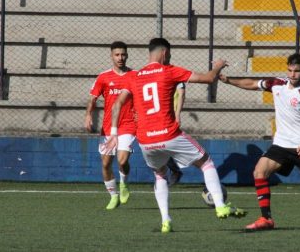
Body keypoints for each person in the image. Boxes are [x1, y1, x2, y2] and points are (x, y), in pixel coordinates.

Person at [103, 38, 245, 233]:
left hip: (146, 139)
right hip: (169, 133)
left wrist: (113, 133)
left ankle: (165, 220)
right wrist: (218, 66)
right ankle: (220, 205)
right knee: (206, 163)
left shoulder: (133, 76)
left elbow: (117, 104)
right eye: (168, 55)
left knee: (160, 174)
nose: (169, 58)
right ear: (163, 53)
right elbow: (208, 79)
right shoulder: (169, 70)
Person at [219, 53, 300, 231]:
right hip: (281, 144)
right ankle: (266, 219)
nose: (292, 74)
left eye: (296, 71)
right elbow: (251, 84)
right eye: (290, 70)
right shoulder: (277, 84)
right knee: (260, 171)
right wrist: (228, 80)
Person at [85, 41, 137, 210]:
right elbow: (92, 98)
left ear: (127, 55)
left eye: (123, 54)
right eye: (117, 55)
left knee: (122, 160)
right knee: (106, 164)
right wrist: (88, 116)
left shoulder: (135, 76)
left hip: (128, 125)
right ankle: (113, 195)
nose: (120, 58)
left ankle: (124, 183)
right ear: (111, 56)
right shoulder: (104, 77)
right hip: (108, 127)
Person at [167, 82, 185, 186]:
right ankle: (174, 170)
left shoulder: (176, 78)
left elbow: (181, 94)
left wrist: (177, 114)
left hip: (171, 117)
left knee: (165, 146)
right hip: (159, 116)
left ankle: (175, 171)